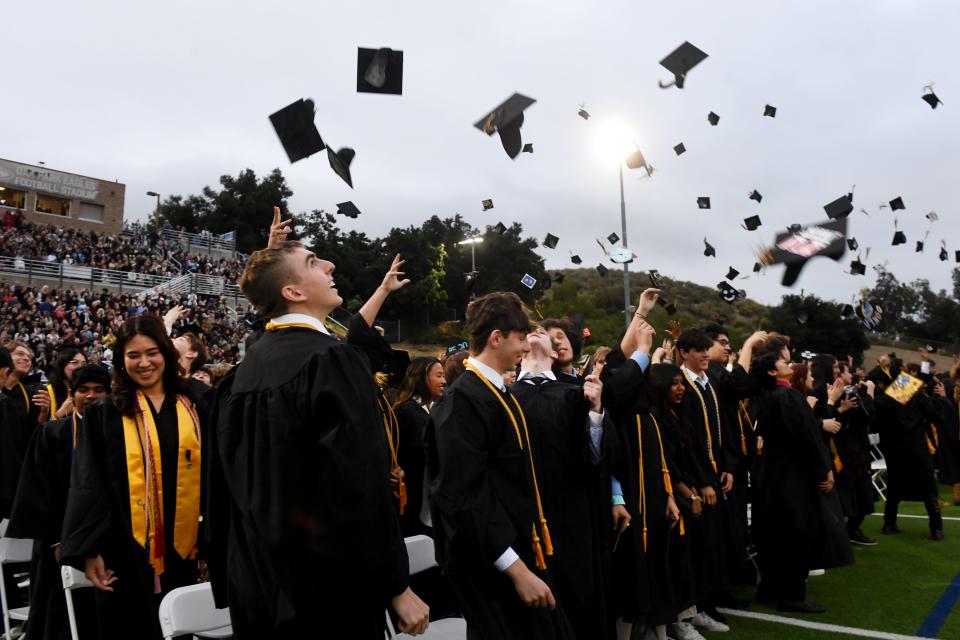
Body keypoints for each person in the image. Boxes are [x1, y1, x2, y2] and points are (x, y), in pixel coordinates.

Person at [206, 228, 429, 638]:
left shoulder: (239, 377)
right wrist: (395, 583)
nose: (329, 265)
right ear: (292, 292)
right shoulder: (331, 361)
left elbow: (224, 494)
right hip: (328, 591)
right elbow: (356, 482)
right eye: (313, 262)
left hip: (257, 589)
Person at [429, 291, 575, 638]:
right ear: (496, 338)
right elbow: (463, 497)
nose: (527, 347)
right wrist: (516, 570)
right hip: (494, 563)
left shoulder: (498, 393)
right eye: (522, 338)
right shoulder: (462, 400)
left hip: (520, 546)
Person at [60, 315, 207, 640]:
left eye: (152, 352)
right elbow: (88, 483)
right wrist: (89, 551)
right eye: (133, 355)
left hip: (186, 551)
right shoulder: (105, 413)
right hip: (123, 553)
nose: (144, 363)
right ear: (120, 360)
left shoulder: (197, 404)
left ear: (166, 354)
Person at [510, 324, 611, 640]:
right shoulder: (502, 396)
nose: (538, 331)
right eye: (530, 331)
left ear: (557, 353)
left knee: (575, 599)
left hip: (570, 517)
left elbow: (595, 459)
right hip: (519, 517)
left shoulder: (576, 394)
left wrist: (595, 412)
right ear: (519, 348)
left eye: (548, 334)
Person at [7, 364, 110, 640]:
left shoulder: (118, 435)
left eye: (99, 390)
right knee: (58, 618)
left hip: (106, 543)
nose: (91, 396)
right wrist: (56, 541)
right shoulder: (53, 434)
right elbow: (39, 493)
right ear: (71, 393)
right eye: (83, 390)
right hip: (58, 541)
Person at [601, 290, 682, 640]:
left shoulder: (647, 417)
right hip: (629, 503)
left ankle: (658, 631)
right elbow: (621, 371)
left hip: (653, 501)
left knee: (656, 569)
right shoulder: (616, 408)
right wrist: (644, 351)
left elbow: (661, 463)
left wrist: (641, 311)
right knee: (628, 574)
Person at [750, 352, 846, 613]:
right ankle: (792, 595)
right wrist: (824, 469)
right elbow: (808, 438)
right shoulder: (789, 397)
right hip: (793, 479)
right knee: (797, 536)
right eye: (782, 362)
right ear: (772, 372)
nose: (787, 364)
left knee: (774, 536)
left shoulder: (765, 397)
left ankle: (769, 588)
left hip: (769, 476)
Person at [673, 328, 731, 633]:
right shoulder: (680, 385)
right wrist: (703, 481)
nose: (705, 355)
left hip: (715, 472)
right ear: (684, 353)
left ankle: (703, 605)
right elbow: (689, 441)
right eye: (699, 350)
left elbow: (721, 432)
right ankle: (688, 613)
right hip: (694, 481)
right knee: (694, 548)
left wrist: (728, 466)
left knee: (710, 545)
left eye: (706, 350)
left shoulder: (710, 385)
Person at [874, 359, 953, 540]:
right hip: (916, 445)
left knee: (894, 484)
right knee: (928, 486)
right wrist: (942, 398)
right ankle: (936, 528)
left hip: (894, 447)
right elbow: (934, 413)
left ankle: (889, 523)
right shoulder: (909, 390)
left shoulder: (885, 396)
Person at [393, 357, 446, 537]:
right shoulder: (408, 412)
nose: (444, 381)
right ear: (422, 378)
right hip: (412, 501)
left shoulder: (428, 410)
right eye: (438, 376)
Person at [3, 340, 51, 426]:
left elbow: (34, 431)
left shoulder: (31, 395)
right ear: (6, 356)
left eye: (29, 357)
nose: (26, 359)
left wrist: (44, 412)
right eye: (20, 354)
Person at [46, 347, 87, 420]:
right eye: (75, 362)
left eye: (84, 364)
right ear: (62, 365)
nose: (80, 367)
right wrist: (60, 413)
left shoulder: (88, 392)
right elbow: (40, 429)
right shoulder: (48, 392)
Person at [542, 317, 584, 386]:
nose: (557, 342)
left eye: (560, 337)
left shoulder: (588, 384)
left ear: (571, 341)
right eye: (550, 341)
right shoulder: (543, 388)